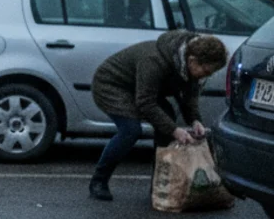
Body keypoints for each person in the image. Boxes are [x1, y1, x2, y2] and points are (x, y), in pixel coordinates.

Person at [89, 30, 228, 201]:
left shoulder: (188, 65)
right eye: (206, 71)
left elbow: (189, 97)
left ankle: (160, 185)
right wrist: (175, 130)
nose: (207, 76)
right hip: (112, 85)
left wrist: (195, 121)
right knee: (130, 130)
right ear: (192, 60)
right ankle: (98, 181)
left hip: (140, 88)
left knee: (166, 122)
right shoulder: (154, 61)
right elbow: (145, 102)